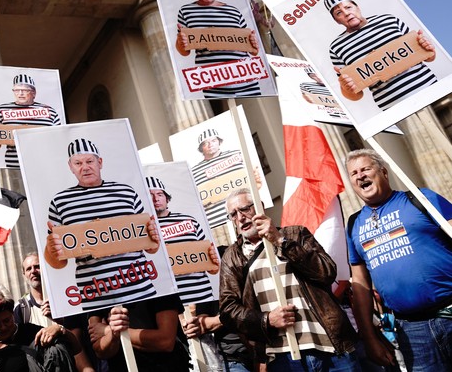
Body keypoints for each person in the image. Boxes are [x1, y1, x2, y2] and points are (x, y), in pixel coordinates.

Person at [219, 188, 360, 371]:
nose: (240, 217)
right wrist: (266, 320)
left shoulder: (296, 235)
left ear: (260, 206)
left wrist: (280, 241)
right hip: (282, 357)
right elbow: (228, 310)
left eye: (245, 209)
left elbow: (327, 272)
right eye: (233, 215)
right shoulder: (233, 257)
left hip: (330, 349)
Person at [345, 149, 452, 371]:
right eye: (354, 173)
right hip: (411, 332)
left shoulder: (421, 198)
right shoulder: (354, 224)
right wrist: (370, 338)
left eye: (366, 169)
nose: (360, 176)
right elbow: (360, 284)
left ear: (383, 172)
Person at [45, 138, 161, 309]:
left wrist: (154, 236)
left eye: (89, 161)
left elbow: (151, 248)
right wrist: (52, 249)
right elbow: (58, 263)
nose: (85, 167)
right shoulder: (59, 202)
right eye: (78, 163)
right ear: (71, 167)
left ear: (100, 162)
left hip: (140, 290)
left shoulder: (127, 193)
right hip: (97, 299)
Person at [324, 0, 437, 110]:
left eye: (348, 7)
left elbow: (429, 57)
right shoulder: (337, 47)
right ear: (336, 20)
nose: (346, 13)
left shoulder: (389, 20)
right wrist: (346, 87)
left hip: (432, 89)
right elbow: (355, 95)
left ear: (357, 7)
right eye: (339, 12)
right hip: (394, 109)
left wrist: (428, 48)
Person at [0, 287, 80, 372]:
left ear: (12, 314)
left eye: (7, 320)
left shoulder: (31, 333)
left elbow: (76, 348)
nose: (3, 327)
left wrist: (60, 329)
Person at [175, 0, 261, 98]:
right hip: (213, 79)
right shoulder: (186, 11)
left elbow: (253, 51)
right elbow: (184, 51)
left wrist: (254, 44)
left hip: (245, 77)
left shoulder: (233, 11)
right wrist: (181, 42)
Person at [15, 252, 96, 372]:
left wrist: (59, 324)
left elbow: (77, 344)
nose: (33, 271)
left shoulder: (66, 299)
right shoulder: (21, 309)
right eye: (28, 269)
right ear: (24, 275)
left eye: (37, 266)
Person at [147, 175, 219, 304]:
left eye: (159, 194)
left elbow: (212, 264)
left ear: (167, 198)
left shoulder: (189, 220)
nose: (155, 198)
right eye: (150, 194)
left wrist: (214, 262)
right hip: (171, 303)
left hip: (203, 295)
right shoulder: (145, 228)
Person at [88, 297, 191, 371]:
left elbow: (165, 341)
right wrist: (113, 335)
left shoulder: (158, 278)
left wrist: (110, 331)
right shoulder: (97, 288)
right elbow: (100, 350)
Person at [0, 74, 62, 169]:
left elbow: (59, 140)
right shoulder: (1, 109)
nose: (20, 93)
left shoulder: (50, 111)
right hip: (15, 167)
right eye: (16, 90)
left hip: (45, 165)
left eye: (25, 90)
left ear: (34, 92)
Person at [188, 128, 250, 227]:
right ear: (201, 148)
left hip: (245, 215)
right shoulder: (194, 172)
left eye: (213, 140)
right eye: (205, 143)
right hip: (218, 224)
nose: (210, 144)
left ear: (219, 142)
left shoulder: (236, 155)